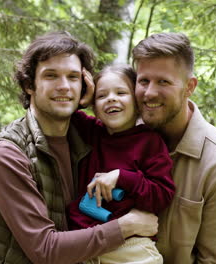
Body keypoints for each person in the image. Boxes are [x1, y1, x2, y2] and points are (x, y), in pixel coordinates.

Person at [0, 32, 158, 264]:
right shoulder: (6, 155)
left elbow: (131, 134)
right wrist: (125, 226)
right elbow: (45, 250)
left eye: (73, 77)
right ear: (28, 84)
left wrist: (92, 103)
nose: (64, 86)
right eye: (51, 76)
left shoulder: (85, 138)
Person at [132, 32, 216, 263]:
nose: (149, 93)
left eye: (163, 82)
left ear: (189, 86)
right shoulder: (123, 134)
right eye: (143, 81)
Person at [66, 64, 175, 264]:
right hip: (84, 243)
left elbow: (162, 194)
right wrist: (84, 100)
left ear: (137, 102)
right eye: (101, 96)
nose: (111, 98)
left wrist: (121, 177)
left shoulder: (149, 142)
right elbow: (65, 113)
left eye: (121, 92)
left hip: (129, 249)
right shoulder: (92, 133)